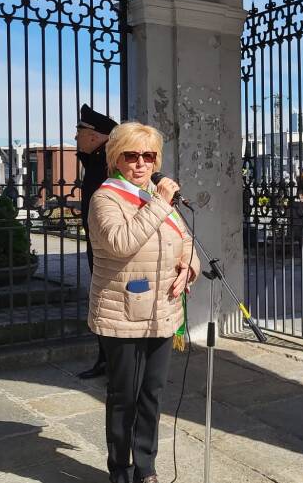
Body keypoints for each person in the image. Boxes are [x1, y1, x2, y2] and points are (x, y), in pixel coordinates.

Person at [88, 122, 200, 483]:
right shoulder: (105, 198)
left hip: (162, 312)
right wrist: (157, 204)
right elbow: (121, 242)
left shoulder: (155, 195)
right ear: (116, 158)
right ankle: (120, 470)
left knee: (152, 393)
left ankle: (146, 468)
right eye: (131, 155)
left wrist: (189, 268)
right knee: (124, 398)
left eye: (148, 156)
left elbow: (185, 240)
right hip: (122, 313)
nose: (140, 163)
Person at [76, 104, 118, 380]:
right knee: (102, 303)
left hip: (107, 247)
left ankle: (113, 362)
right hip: (98, 244)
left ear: (94, 136)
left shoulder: (107, 165)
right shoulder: (95, 160)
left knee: (108, 304)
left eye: (79, 132)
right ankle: (106, 360)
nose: (76, 137)